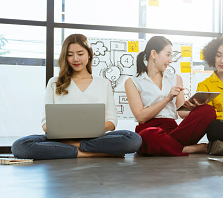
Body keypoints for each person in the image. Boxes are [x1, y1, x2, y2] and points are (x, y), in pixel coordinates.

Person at [12, 34, 142, 160]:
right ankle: (91, 154)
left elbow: (111, 122)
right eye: (70, 55)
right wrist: (65, 135)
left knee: (133, 139)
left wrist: (85, 134)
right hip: (61, 139)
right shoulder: (54, 82)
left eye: (80, 54)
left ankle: (75, 147)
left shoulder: (103, 83)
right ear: (65, 57)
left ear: (89, 54)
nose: (75, 59)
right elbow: (46, 124)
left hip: (95, 139)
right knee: (20, 146)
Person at [124, 36, 216, 156]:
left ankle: (172, 147)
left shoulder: (176, 78)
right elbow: (141, 117)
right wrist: (167, 98)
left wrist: (194, 110)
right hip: (149, 130)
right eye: (168, 55)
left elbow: (181, 113)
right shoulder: (133, 82)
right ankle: (188, 149)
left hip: (173, 130)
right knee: (148, 135)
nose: (171, 60)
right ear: (153, 53)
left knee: (208, 110)